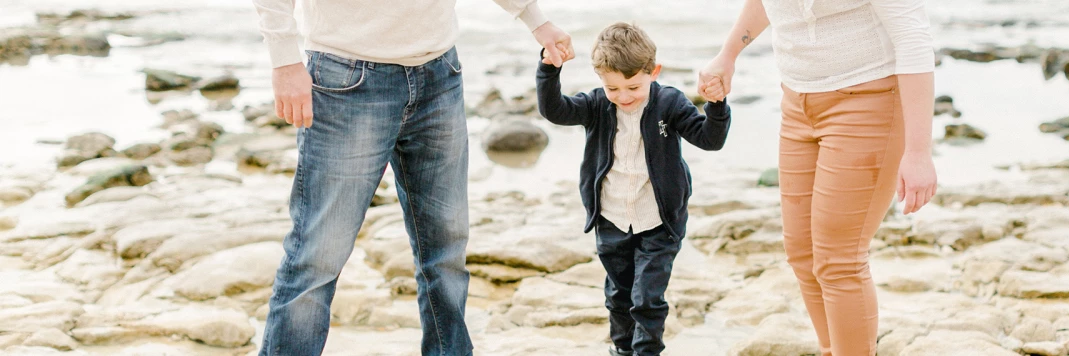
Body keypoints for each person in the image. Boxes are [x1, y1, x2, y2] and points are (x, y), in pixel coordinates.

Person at [249, 0, 576, 354]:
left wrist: (535, 20)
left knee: (446, 253)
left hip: (439, 73)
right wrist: (284, 60)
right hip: (346, 77)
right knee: (316, 256)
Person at [699, 0, 938, 354]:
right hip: (797, 102)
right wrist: (729, 54)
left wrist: (918, 152)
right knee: (802, 254)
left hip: (869, 100)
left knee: (839, 260)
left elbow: (913, 39)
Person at [535, 22, 731, 356]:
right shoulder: (597, 104)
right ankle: (622, 351)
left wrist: (716, 105)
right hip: (611, 219)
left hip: (659, 222)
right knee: (619, 297)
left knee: (647, 300)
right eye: (613, 88)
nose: (623, 97)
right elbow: (555, 110)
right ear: (601, 79)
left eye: (633, 87)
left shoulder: (669, 104)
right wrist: (549, 69)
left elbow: (710, 139)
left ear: (653, 72)